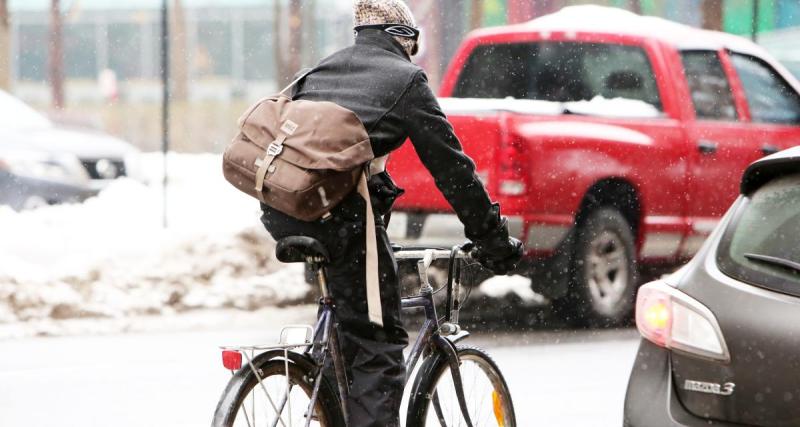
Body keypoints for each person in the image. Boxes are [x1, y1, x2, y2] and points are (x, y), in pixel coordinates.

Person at [259, 1, 524, 425]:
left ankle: (328, 398)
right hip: (341, 219)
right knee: (378, 345)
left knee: (350, 335)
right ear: (405, 39)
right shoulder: (405, 80)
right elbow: (453, 170)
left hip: (284, 209)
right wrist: (493, 241)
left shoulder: (323, 70)